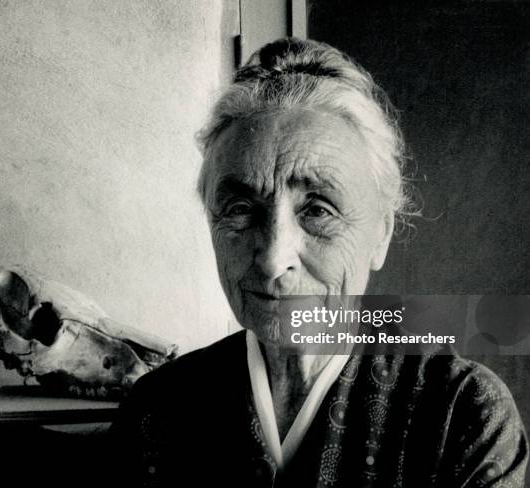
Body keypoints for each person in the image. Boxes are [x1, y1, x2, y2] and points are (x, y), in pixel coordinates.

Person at [109, 38, 528, 487]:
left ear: (381, 231)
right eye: (239, 209)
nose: (273, 260)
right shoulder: (157, 410)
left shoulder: (461, 413)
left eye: (317, 210)